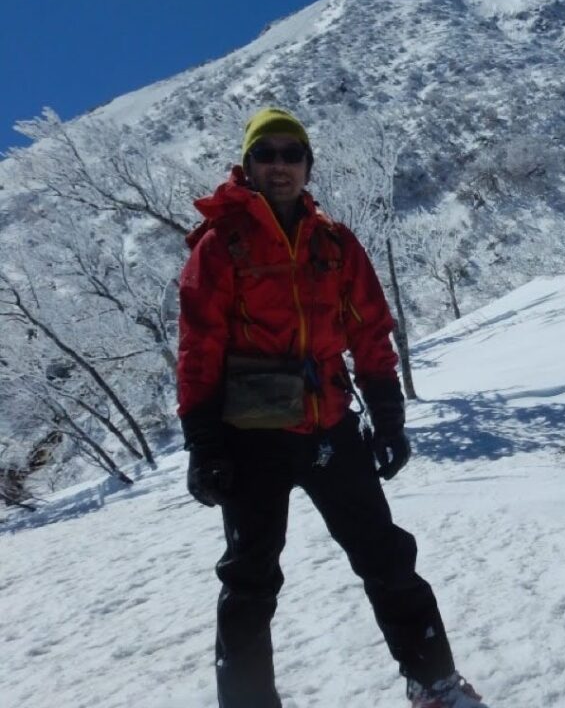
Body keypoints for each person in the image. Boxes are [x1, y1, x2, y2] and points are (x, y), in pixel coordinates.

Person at [177, 108, 488, 708]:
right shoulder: (220, 247)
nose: (279, 165)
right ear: (248, 165)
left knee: (387, 556)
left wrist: (388, 417)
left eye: (292, 154)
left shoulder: (336, 243)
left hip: (330, 428)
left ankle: (435, 682)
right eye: (265, 153)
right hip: (250, 436)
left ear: (307, 165)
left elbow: (370, 329)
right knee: (249, 581)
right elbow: (199, 347)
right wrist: (205, 444)